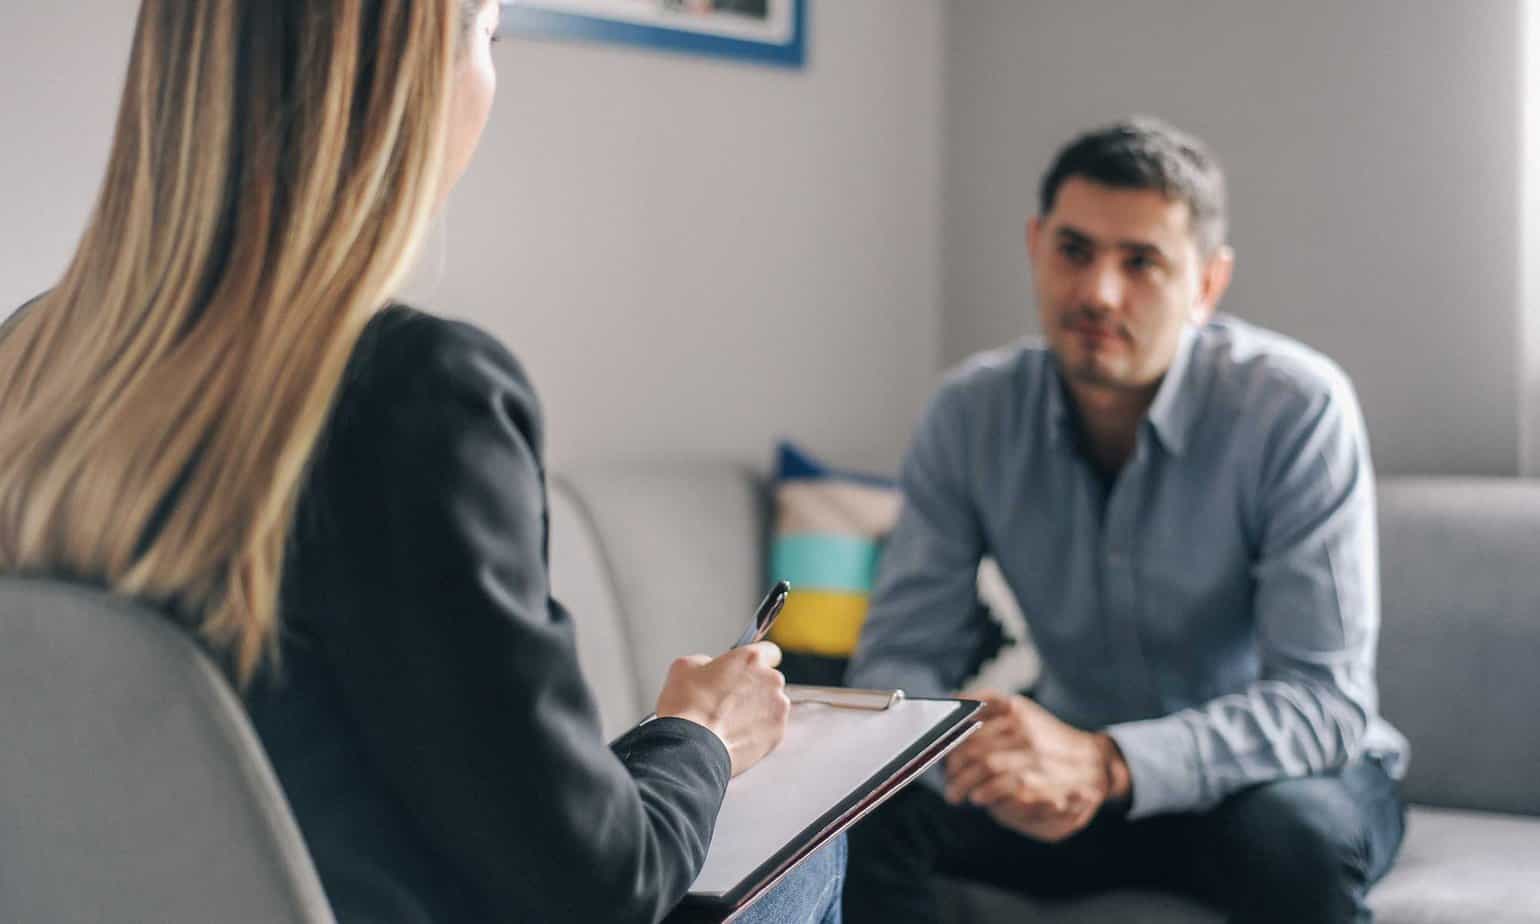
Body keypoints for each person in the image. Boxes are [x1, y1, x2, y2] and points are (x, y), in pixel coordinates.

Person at [0, 2, 843, 921]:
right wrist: (700, 733)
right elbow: (601, 889)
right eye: (488, 31)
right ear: (400, 78)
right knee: (811, 836)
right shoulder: (412, 397)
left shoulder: (29, 365)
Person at [842, 118, 1407, 924]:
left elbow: (1324, 702)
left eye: (1141, 262)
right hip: (1063, 780)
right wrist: (983, 761)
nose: (1098, 293)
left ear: (1207, 285)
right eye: (1074, 250)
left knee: (1292, 837)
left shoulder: (1294, 409)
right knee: (862, 814)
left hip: (1266, 781)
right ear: (1036, 245)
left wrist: (1107, 763)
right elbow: (900, 660)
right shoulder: (969, 414)